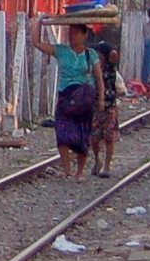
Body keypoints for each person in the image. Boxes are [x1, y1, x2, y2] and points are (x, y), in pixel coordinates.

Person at [31, 17, 105, 182]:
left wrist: (101, 99)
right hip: (65, 96)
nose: (72, 36)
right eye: (70, 33)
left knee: (82, 134)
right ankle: (67, 170)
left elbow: (99, 79)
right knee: (62, 134)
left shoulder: (90, 54)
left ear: (84, 35)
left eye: (76, 33)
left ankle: (80, 172)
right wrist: (39, 23)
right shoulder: (61, 51)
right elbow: (37, 43)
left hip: (84, 99)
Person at [90, 36, 121, 178]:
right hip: (95, 106)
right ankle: (97, 160)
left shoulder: (110, 67)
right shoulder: (93, 67)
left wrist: (111, 51)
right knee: (94, 138)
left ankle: (107, 166)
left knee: (109, 137)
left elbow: (114, 55)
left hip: (109, 106)